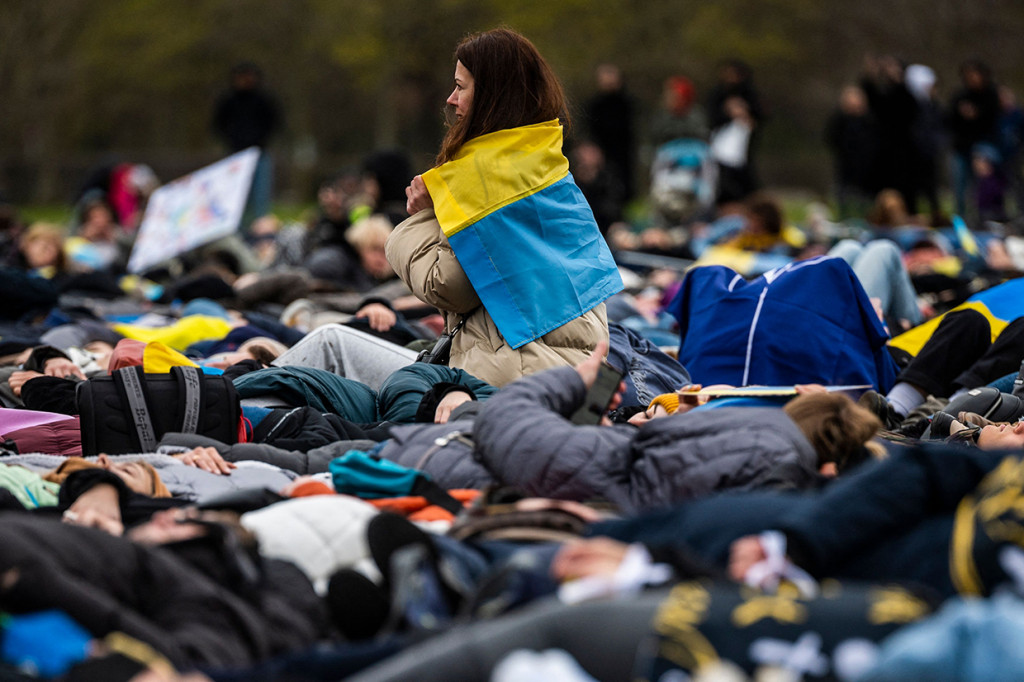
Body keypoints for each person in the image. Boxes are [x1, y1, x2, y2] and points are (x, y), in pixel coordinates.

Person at [386, 28, 621, 387]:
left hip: (513, 381)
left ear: (491, 96)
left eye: (461, 87)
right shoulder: (548, 163)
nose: (451, 99)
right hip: (589, 375)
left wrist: (422, 218)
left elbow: (446, 287)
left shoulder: (475, 178)